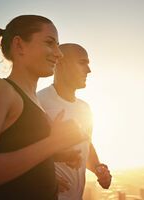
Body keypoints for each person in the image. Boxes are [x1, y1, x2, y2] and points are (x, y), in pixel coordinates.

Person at [0, 16, 88, 200]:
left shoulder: (33, 99)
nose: (59, 53)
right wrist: (53, 143)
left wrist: (57, 155)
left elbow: (17, 150)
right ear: (19, 45)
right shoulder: (0, 90)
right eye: (50, 43)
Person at [37, 43, 112, 200]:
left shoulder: (85, 108)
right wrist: (42, 179)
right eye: (82, 62)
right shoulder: (38, 102)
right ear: (61, 63)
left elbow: (86, 146)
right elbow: (19, 152)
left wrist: (98, 167)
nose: (89, 70)